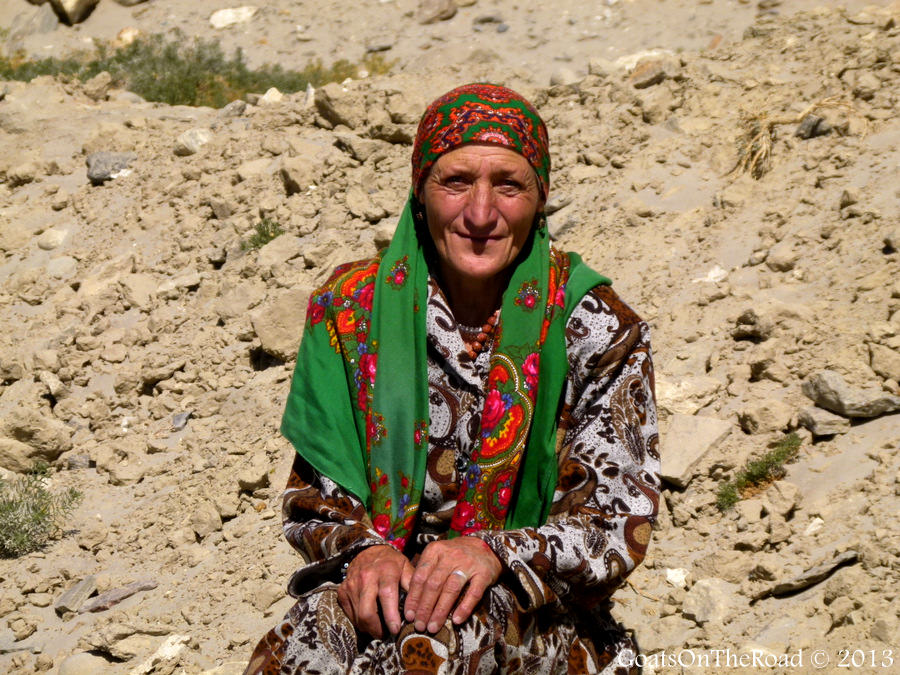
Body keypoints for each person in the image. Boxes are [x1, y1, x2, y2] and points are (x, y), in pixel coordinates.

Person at [245, 83, 659, 674]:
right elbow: (319, 499)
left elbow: (616, 522)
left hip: (534, 610)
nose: (481, 214)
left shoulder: (596, 327)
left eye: (509, 185)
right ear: (420, 192)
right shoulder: (349, 311)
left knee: (438, 639)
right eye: (457, 181)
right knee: (306, 640)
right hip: (384, 592)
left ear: (540, 198)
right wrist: (367, 556)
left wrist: (494, 552)